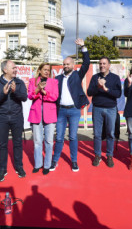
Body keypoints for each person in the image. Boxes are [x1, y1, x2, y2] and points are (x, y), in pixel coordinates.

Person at [50, 39, 90, 172]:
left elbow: (87, 63)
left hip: (74, 111)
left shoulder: (78, 75)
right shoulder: (58, 79)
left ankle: (74, 161)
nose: (65, 66)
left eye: (67, 64)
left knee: (72, 137)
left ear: (73, 65)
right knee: (60, 137)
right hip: (61, 111)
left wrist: (83, 47)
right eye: (64, 64)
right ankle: (54, 161)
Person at [0, 60, 27, 182]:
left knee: (17, 143)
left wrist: (15, 91)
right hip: (2, 118)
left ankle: (19, 167)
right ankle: (2, 169)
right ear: (5, 70)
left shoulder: (19, 82)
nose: (16, 69)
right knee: (2, 145)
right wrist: (3, 93)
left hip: (17, 117)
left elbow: (24, 97)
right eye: (13, 68)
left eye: (16, 67)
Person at [87, 57, 122, 168]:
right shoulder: (94, 77)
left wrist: (107, 89)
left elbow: (118, 94)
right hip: (97, 108)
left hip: (111, 109)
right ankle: (97, 155)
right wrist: (98, 87)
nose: (102, 65)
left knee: (110, 134)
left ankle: (109, 155)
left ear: (109, 65)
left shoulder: (115, 78)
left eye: (104, 63)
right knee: (97, 134)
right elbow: (89, 92)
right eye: (100, 63)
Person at [28, 63, 59, 175]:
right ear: (39, 70)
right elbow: (30, 96)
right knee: (37, 141)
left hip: (50, 113)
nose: (47, 71)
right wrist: (37, 89)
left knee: (49, 141)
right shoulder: (32, 81)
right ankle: (38, 164)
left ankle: (47, 165)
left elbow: (55, 97)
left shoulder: (54, 82)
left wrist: (45, 92)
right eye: (44, 69)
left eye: (48, 70)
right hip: (36, 113)